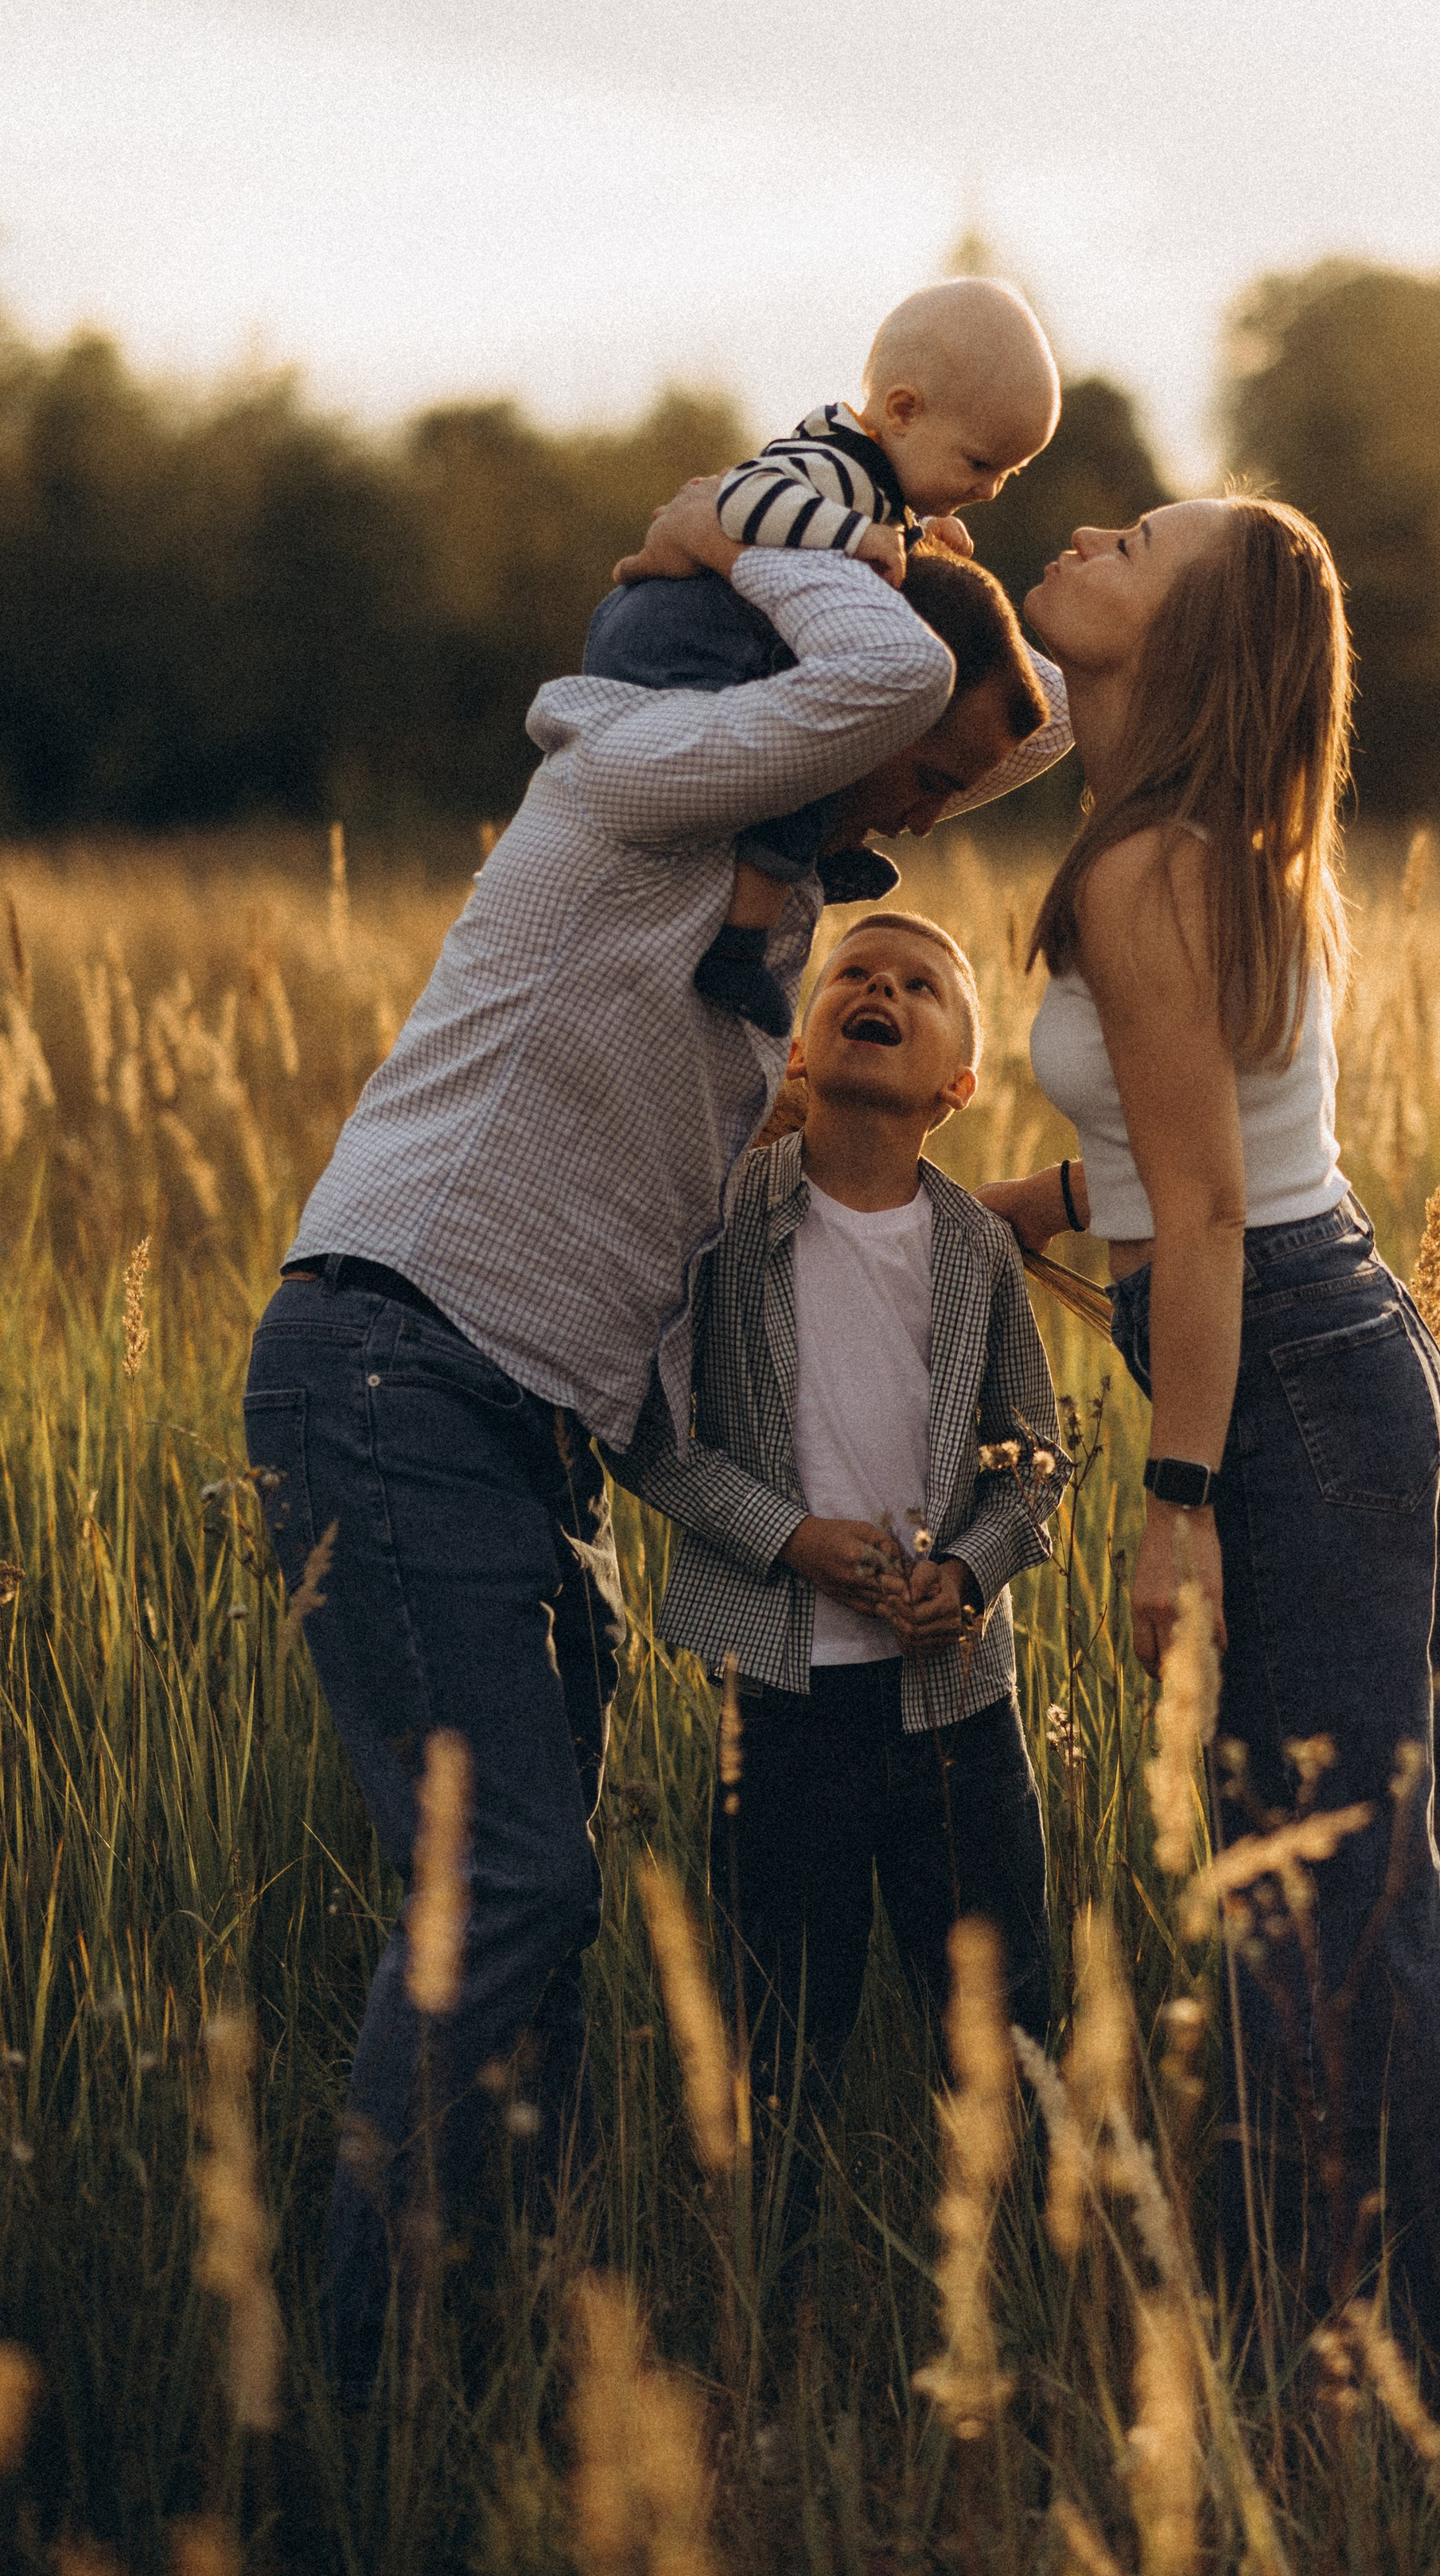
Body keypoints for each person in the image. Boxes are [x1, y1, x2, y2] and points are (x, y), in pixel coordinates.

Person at [243, 510, 1068, 2399]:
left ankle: (511, 2363)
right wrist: (781, 514)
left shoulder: (767, 901)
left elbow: (987, 725)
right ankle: (358, 2396)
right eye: (921, 769)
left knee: (544, 1896)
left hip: (523, 1424)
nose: (935, 809)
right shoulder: (648, 781)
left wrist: (947, 587)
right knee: (511, 1883)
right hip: (400, 1359)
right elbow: (886, 681)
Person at [979, 499, 1440, 2384]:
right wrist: (1015, 1208)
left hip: (1279, 1376)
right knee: (1355, 1863)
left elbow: (1199, 1214)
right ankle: (1380, 2327)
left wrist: (1172, 1496)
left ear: (1183, 642)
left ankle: (1366, 2361)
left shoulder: (1149, 871)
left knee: (1324, 1874)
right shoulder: (1179, 848)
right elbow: (1177, 1161)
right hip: (1326, 1343)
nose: (1092, 525)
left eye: (1140, 541)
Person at [617, 912, 1063, 2238]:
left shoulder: (976, 1251)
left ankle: (1023, 2262)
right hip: (787, 1702)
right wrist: (792, 1539)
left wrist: (974, 1574)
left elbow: (1034, 1460)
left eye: (921, 986)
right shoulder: (732, 1221)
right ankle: (776, 2286)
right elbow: (649, 1434)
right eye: (855, 977)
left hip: (956, 1715)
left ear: (956, 1088)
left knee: (1000, 2010)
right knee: (778, 2016)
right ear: (801, 1047)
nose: (882, 988)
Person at [582, 278, 1060, 1035]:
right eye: (978, 464)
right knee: (808, 759)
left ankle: (801, 861)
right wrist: (864, 540)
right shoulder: (832, 465)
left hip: (709, 650)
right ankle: (742, 943)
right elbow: (738, 505)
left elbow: (1043, 713)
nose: (990, 490)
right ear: (902, 411)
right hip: (674, 649)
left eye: (1007, 473)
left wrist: (914, 537)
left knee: (815, 749)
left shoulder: (876, 483)